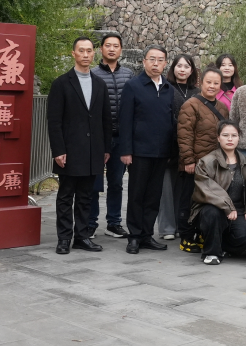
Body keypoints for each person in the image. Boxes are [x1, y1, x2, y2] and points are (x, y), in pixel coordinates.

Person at [47, 37, 112, 255]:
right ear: (73, 53)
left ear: (94, 54)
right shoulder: (61, 83)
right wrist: (58, 150)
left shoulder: (100, 84)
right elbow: (54, 121)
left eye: (89, 51)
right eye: (81, 51)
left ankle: (82, 236)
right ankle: (64, 238)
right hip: (70, 150)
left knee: (86, 196)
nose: (85, 54)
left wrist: (106, 148)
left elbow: (106, 120)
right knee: (66, 196)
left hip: (93, 150)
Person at [118, 46, 176, 254]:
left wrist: (171, 151)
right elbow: (125, 120)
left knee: (153, 196)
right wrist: (126, 150)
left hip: (161, 153)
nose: (155, 63)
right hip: (139, 152)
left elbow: (171, 121)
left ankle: (146, 234)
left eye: (160, 60)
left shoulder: (168, 88)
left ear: (165, 63)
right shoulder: (133, 86)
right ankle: (134, 236)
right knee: (137, 194)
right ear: (144, 61)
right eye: (152, 59)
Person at [191, 121, 246, 265]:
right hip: (212, 207)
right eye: (225, 135)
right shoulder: (206, 162)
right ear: (218, 138)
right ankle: (211, 253)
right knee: (212, 213)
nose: (230, 139)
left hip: (237, 209)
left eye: (234, 135)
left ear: (239, 138)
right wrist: (227, 206)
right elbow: (208, 189)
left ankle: (221, 245)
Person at [176, 67, 229, 251]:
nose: (212, 86)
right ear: (201, 83)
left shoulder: (222, 107)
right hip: (194, 163)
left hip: (213, 166)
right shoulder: (191, 105)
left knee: (207, 201)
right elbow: (184, 134)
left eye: (216, 83)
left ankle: (201, 233)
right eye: (209, 82)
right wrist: (188, 160)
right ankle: (185, 236)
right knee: (188, 201)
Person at [90, 33, 134, 239]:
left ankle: (114, 223)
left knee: (116, 182)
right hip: (97, 137)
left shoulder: (128, 74)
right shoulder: (92, 74)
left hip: (121, 137)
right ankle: (90, 223)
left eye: (116, 46)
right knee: (93, 182)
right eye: (108, 45)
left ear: (121, 50)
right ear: (101, 49)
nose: (112, 49)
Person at [162, 54, 200, 241]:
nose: (182, 69)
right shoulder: (165, 88)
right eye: (179, 66)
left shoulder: (197, 92)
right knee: (167, 189)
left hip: (191, 148)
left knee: (185, 189)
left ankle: (181, 224)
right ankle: (167, 227)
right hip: (169, 145)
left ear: (192, 70)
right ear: (173, 68)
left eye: (186, 66)